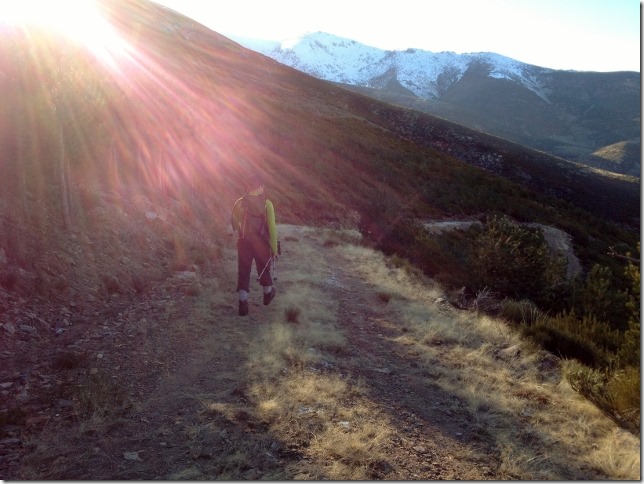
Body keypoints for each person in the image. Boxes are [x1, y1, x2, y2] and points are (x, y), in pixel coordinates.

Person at [231, 173, 278, 316]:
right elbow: (272, 228)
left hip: (244, 241)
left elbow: (234, 222)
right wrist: (274, 249)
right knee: (263, 268)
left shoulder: (240, 202)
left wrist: (241, 229)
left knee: (244, 271)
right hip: (262, 243)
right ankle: (268, 294)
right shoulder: (267, 204)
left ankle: (243, 305)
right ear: (260, 187)